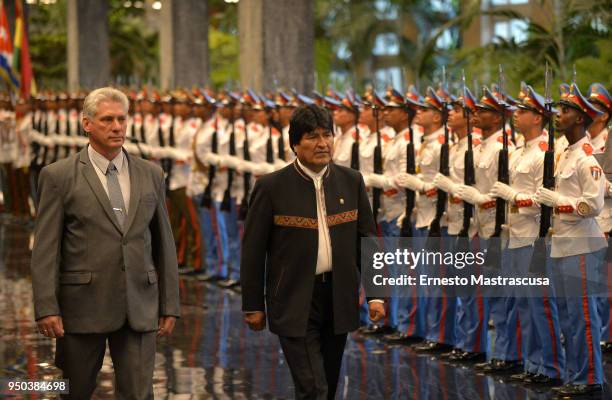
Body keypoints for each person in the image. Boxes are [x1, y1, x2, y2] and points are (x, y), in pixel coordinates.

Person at [30, 87, 180, 399]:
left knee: (139, 394)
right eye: (107, 119)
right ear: (86, 124)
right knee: (75, 391)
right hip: (82, 308)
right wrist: (46, 307)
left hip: (139, 306)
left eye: (122, 119)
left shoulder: (150, 173)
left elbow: (163, 242)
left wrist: (170, 304)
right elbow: (46, 248)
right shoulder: (58, 176)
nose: (117, 127)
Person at [240, 103, 385, 399]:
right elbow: (252, 250)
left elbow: (368, 242)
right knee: (313, 388)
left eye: (327, 135)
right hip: (293, 299)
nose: (322, 144)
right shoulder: (271, 187)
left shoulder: (351, 181)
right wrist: (253, 304)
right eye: (312, 137)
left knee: (328, 386)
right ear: (295, 144)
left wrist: (377, 294)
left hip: (338, 296)